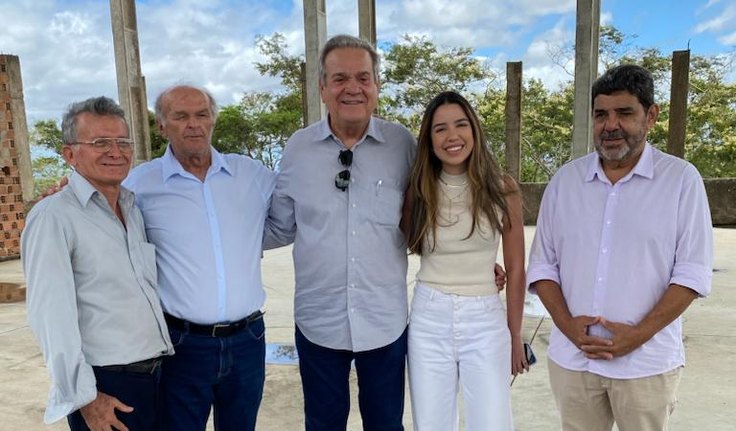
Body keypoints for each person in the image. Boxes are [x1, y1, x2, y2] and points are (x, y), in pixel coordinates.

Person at [526, 64, 713, 431]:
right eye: (601, 115)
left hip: (646, 364)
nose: (610, 125)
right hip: (574, 361)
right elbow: (543, 267)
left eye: (624, 113)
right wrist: (566, 326)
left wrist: (637, 335)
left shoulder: (680, 180)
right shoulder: (566, 182)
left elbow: (691, 273)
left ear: (651, 116)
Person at [265, 34, 416, 430]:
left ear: (377, 86)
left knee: (386, 424)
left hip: (384, 320)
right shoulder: (298, 148)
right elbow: (279, 225)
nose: (353, 88)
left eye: (364, 78)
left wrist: (478, 261)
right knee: (322, 423)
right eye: (340, 78)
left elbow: (433, 212)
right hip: (318, 321)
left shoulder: (403, 144)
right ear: (322, 87)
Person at [123, 85, 277, 431]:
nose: (194, 124)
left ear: (213, 121)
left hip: (248, 341)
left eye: (202, 114)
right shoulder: (140, 185)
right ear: (162, 126)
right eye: (181, 116)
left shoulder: (250, 174)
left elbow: (299, 203)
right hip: (182, 345)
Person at [21, 96, 173, 431]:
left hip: (158, 376)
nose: (115, 152)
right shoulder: (53, 216)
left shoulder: (133, 208)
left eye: (122, 142)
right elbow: (50, 316)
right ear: (70, 154)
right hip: (107, 385)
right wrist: (85, 397)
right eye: (100, 142)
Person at [402, 91, 527, 431]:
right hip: (429, 318)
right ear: (429, 139)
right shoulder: (418, 189)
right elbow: (402, 244)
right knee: (430, 424)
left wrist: (515, 334)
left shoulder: (503, 189)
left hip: (485, 319)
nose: (452, 136)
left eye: (461, 124)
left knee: (492, 422)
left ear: (474, 130)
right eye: (440, 129)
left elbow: (516, 269)